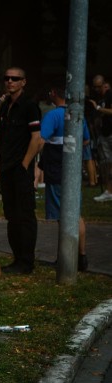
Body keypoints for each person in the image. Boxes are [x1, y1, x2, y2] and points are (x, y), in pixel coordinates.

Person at [0, 67, 43, 273]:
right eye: (7, 78)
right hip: (6, 168)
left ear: (23, 82)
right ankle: (17, 259)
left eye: (15, 79)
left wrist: (25, 164)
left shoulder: (30, 106)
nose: (10, 81)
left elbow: (36, 139)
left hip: (20, 169)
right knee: (11, 215)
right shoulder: (5, 106)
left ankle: (26, 261)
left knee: (24, 215)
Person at [39, 86, 89, 271]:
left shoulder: (52, 115)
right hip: (73, 170)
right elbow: (85, 140)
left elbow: (41, 139)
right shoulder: (78, 114)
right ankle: (80, 256)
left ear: (53, 93)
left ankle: (67, 258)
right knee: (75, 213)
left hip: (56, 170)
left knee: (63, 215)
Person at [90, 74, 112, 202]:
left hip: (110, 134)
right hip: (104, 133)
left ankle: (109, 191)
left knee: (109, 164)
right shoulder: (101, 98)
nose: (96, 89)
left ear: (104, 84)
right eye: (94, 87)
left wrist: (98, 108)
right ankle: (108, 191)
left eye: (98, 87)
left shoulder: (109, 95)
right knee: (106, 163)